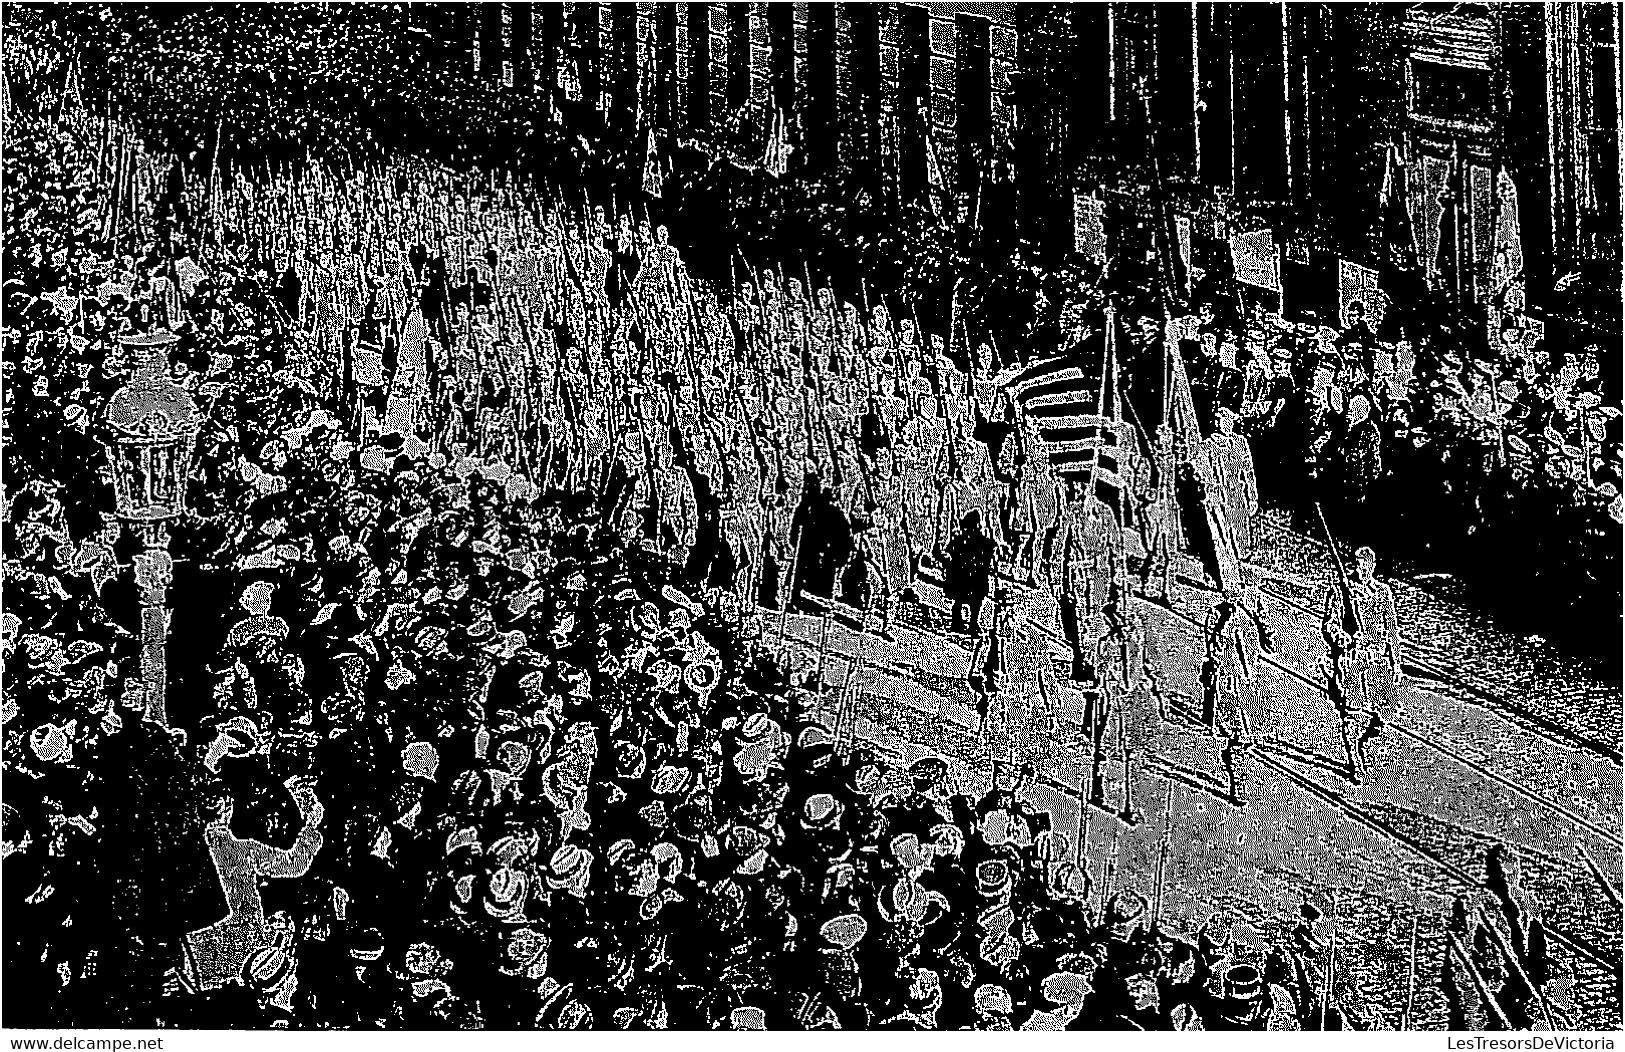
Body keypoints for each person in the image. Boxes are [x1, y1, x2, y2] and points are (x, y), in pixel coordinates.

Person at [1320, 546, 1402, 780]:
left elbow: (1392, 630)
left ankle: (1364, 740)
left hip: (1377, 660)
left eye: (1366, 565)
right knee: (1352, 713)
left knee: (1383, 716)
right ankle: (1355, 761)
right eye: (1358, 565)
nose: (1362, 570)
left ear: (1373, 566)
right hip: (1352, 659)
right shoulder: (1340, 590)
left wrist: (1396, 663)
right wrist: (1343, 639)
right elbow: (1329, 625)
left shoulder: (1383, 592)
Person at [1202, 408, 1259, 559]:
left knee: (1241, 524)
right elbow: (1203, 472)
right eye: (1223, 421)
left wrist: (1252, 497)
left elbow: (1249, 471)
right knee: (1222, 526)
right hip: (1219, 491)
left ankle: (1243, 554)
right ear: (1216, 423)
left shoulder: (1240, 443)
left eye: (1230, 421)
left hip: (1237, 489)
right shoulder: (1208, 445)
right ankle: (1225, 555)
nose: (1227, 424)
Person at [944, 509, 996, 634]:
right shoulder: (980, 541)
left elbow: (949, 552)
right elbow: (950, 552)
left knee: (969, 602)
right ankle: (963, 624)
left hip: (970, 577)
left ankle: (965, 624)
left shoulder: (973, 541)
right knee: (967, 601)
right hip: (967, 577)